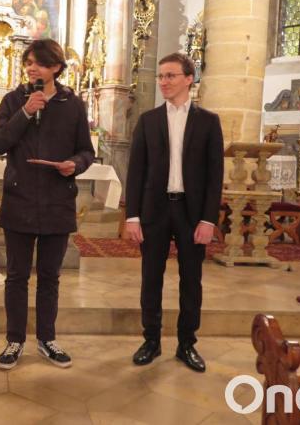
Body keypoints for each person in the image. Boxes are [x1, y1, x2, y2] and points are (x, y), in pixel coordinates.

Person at [0, 39, 95, 370]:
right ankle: (14, 340)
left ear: (56, 68)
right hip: (20, 200)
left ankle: (47, 339)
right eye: (29, 62)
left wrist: (74, 165)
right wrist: (25, 112)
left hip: (56, 201)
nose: (31, 68)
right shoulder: (14, 101)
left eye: (38, 63)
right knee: (17, 276)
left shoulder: (72, 104)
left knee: (50, 277)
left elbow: (86, 152)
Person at [124, 53, 224, 372]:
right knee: (150, 278)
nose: (163, 82)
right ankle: (151, 340)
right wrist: (132, 216)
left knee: (191, 280)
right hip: (154, 211)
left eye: (170, 76)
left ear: (188, 79)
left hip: (191, 213)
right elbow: (136, 171)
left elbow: (214, 175)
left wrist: (209, 219)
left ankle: (186, 344)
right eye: (161, 77)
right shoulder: (148, 120)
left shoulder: (208, 122)